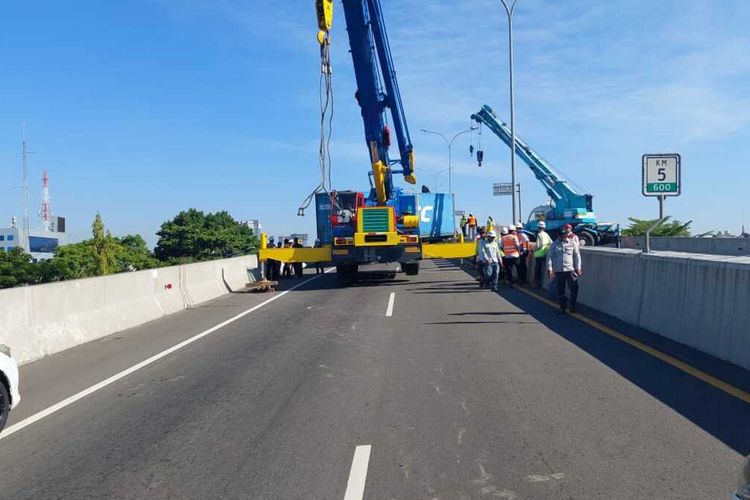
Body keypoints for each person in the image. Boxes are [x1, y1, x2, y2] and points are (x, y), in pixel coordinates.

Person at [547, 223, 582, 313]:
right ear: (559, 236)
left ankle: (572, 306)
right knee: (560, 290)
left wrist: (578, 267)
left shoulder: (572, 243)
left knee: (574, 288)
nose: (564, 237)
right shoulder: (554, 244)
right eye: (562, 236)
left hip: (570, 269)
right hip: (559, 270)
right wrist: (549, 269)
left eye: (565, 235)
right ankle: (562, 307)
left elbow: (577, 256)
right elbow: (550, 257)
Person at [532, 220, 552, 287]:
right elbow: (551, 242)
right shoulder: (546, 234)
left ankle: (537, 283)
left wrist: (534, 250)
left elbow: (538, 245)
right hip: (545, 253)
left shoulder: (539, 235)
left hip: (539, 254)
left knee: (537, 269)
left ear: (538, 227)